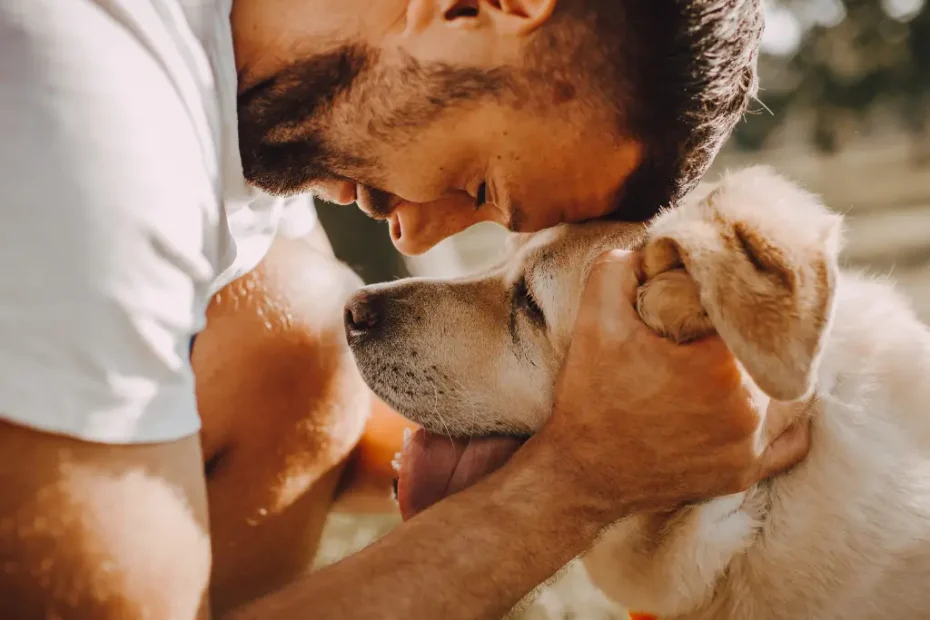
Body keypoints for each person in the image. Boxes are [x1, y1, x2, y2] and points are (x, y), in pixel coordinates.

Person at [0, 0, 811, 618]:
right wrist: (580, 483)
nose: (417, 232)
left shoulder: (230, 97)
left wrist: (635, 425)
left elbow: (333, 430)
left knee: (295, 327)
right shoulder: (86, 98)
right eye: (479, 185)